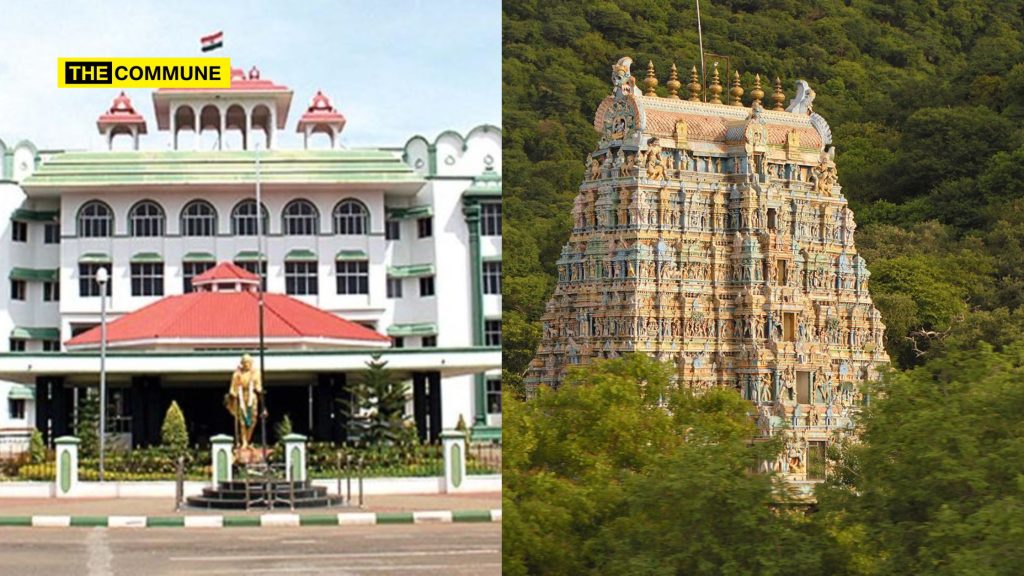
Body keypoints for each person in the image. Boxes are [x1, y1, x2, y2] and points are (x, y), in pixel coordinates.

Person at [226, 354, 263, 450]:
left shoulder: (255, 373)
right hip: (241, 397)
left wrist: (259, 390)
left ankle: (249, 439)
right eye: (245, 362)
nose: (247, 364)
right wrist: (234, 393)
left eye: (248, 362)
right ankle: (244, 442)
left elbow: (258, 386)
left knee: (252, 419)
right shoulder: (237, 374)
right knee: (242, 421)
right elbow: (232, 389)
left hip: (252, 397)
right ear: (242, 363)